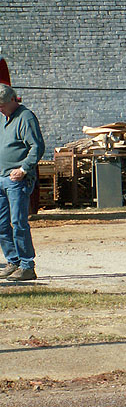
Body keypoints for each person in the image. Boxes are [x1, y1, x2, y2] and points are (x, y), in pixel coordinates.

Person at [0, 84, 44, 281]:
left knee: (18, 222)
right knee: (1, 224)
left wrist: (24, 169)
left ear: (12, 100)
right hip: (1, 178)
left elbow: (37, 146)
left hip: (16, 180)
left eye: (1, 105)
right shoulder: (3, 118)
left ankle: (27, 265)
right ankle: (13, 261)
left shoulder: (25, 117)